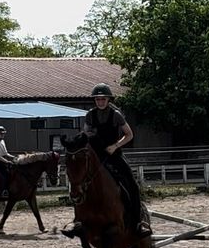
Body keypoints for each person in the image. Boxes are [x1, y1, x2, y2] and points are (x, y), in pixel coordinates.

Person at [62, 84, 152, 238]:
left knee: (132, 183)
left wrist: (115, 145)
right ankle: (77, 221)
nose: (100, 102)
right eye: (97, 99)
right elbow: (85, 134)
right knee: (79, 182)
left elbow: (129, 135)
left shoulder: (116, 114)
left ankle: (138, 223)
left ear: (108, 99)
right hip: (96, 155)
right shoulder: (90, 115)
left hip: (113, 154)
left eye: (103, 99)